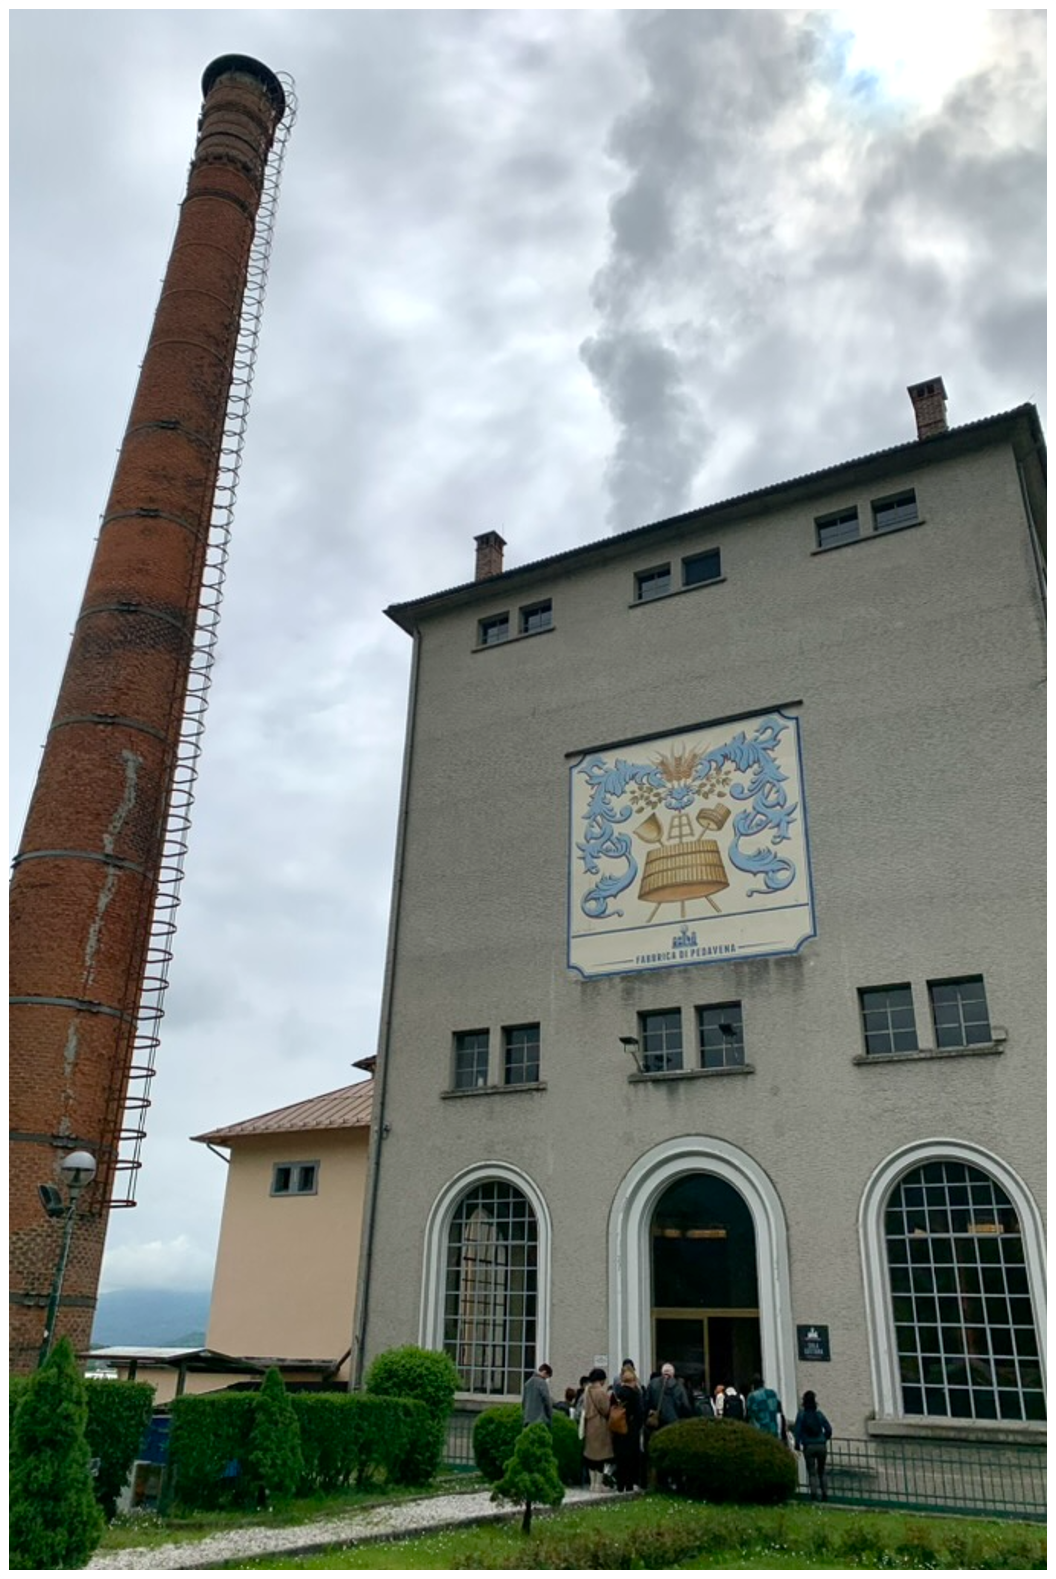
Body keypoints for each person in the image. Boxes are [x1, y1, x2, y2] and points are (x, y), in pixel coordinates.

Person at [610, 1363, 645, 1492]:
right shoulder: (635, 1394)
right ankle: (629, 1485)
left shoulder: (616, 1393)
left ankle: (620, 1484)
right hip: (631, 1428)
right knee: (631, 1457)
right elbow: (640, 1412)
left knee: (620, 1457)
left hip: (618, 1427)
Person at [793, 1390, 833, 1500]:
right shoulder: (819, 1415)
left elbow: (797, 1431)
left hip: (809, 1446)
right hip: (821, 1445)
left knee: (811, 1472)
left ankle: (814, 1494)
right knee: (822, 1470)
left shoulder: (801, 1415)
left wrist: (797, 1444)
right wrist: (824, 1438)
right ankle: (825, 1493)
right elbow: (829, 1429)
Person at [581, 1366, 613, 1491]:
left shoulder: (587, 1391)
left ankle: (592, 1483)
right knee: (600, 1456)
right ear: (601, 1379)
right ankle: (598, 1485)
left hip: (589, 1424)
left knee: (590, 1455)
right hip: (600, 1425)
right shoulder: (601, 1392)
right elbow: (606, 1409)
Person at [745, 1372, 786, 1439]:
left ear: (753, 1385)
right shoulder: (772, 1394)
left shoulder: (752, 1396)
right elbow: (778, 1409)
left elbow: (750, 1414)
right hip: (773, 1429)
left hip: (760, 1431)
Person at [521, 1362, 553, 1428]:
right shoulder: (542, 1383)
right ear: (544, 1372)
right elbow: (547, 1400)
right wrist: (550, 1415)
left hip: (527, 1419)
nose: (546, 1379)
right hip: (539, 1420)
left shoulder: (527, 1383)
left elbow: (524, 1402)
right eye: (547, 1377)